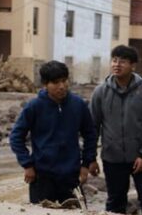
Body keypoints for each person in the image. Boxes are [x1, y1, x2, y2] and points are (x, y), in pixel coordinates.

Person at [9, 61, 98, 205]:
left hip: (71, 175)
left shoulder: (78, 104)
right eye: (56, 82)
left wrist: (86, 164)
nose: (61, 86)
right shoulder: (34, 106)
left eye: (64, 81)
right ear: (45, 84)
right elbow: (15, 137)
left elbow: (90, 134)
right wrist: (27, 165)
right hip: (42, 176)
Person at [89, 45, 142, 215]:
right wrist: (90, 157)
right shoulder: (100, 92)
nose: (117, 64)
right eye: (114, 60)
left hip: (141, 157)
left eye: (122, 61)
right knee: (115, 202)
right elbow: (92, 127)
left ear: (133, 66)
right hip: (112, 157)